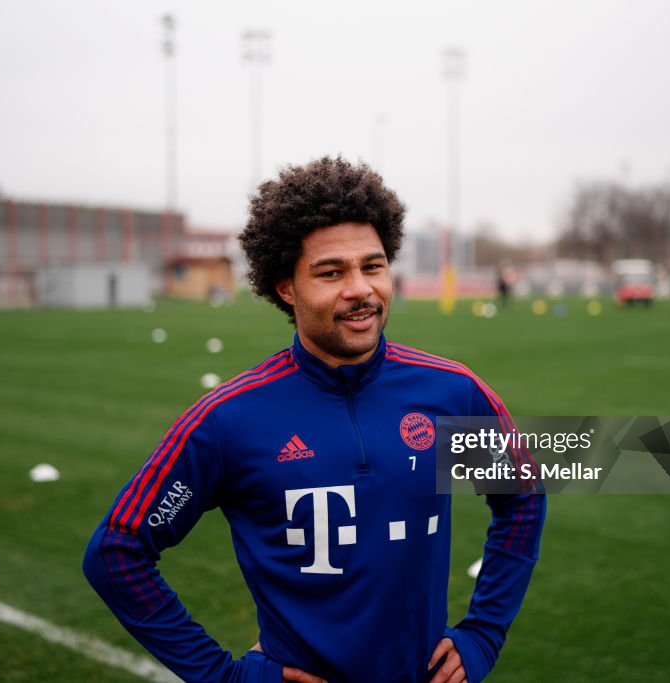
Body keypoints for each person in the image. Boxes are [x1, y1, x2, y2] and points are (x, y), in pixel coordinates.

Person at [83, 157, 546, 683]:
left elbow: (523, 498)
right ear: (286, 287)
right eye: (332, 273)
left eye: (372, 266)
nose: (361, 289)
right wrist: (224, 677)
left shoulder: (451, 392)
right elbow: (117, 553)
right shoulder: (227, 420)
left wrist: (484, 632)